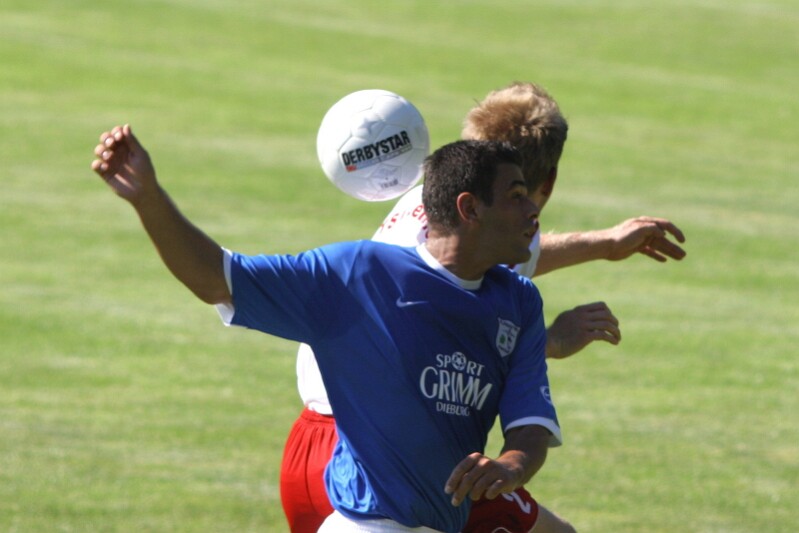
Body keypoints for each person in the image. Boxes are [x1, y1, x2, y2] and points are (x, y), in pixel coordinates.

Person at [91, 127, 562, 533]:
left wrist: (511, 465)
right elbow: (216, 278)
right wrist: (148, 198)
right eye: (516, 196)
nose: (533, 210)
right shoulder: (358, 274)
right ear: (469, 208)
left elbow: (530, 423)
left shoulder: (519, 302)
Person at [282, 82, 687, 533]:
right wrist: (552, 340)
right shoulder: (491, 237)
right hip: (387, 456)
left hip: (307, 448)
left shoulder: (440, 208)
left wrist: (605, 244)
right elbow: (458, 340)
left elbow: (504, 260)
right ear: (548, 181)